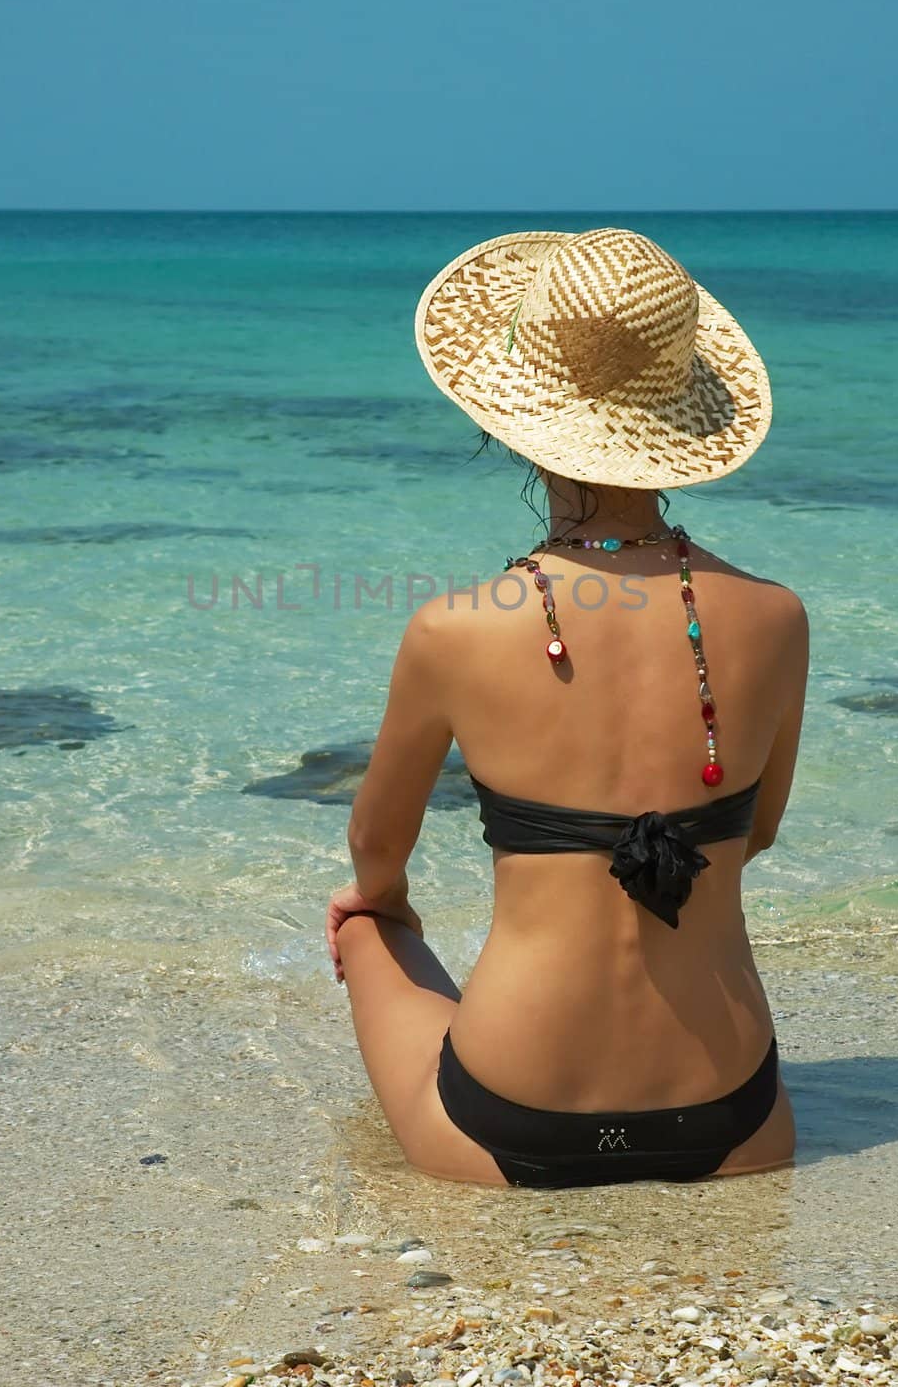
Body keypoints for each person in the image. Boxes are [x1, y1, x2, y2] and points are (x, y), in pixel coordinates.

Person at [325, 227, 807, 1189]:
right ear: (680, 418)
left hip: (506, 1122)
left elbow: (377, 855)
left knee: (367, 924)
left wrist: (381, 908)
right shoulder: (775, 618)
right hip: (738, 1121)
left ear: (508, 417)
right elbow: (751, 837)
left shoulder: (455, 628)